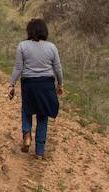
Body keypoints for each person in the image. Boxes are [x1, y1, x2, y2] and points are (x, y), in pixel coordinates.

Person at [7, 18, 64, 159]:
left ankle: (27, 134)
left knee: (27, 110)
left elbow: (18, 68)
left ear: (29, 31)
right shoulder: (52, 47)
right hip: (46, 84)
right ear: (45, 31)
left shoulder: (22, 46)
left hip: (29, 84)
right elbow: (57, 68)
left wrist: (12, 84)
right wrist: (60, 84)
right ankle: (39, 151)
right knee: (42, 115)